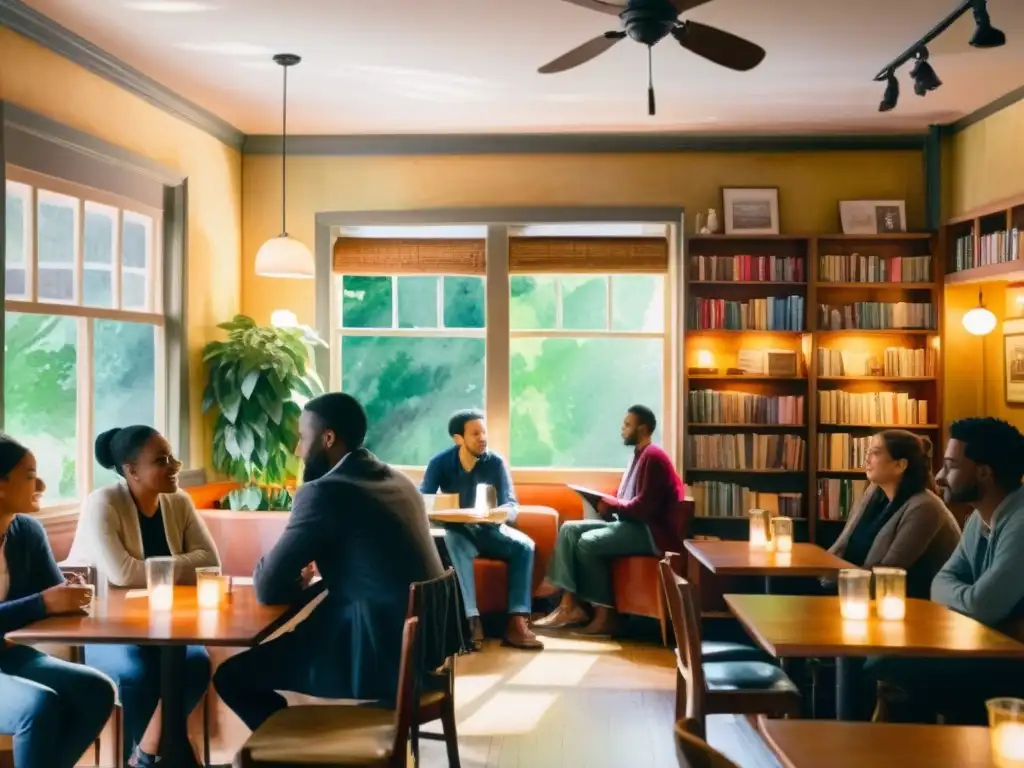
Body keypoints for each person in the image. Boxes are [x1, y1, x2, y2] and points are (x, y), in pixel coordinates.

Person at [213, 393, 444, 731]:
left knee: (233, 676)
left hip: (372, 651)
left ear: (328, 438)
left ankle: (289, 756)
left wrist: (295, 579)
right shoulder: (399, 481)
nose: (297, 450)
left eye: (302, 438)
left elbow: (266, 586)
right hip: (423, 647)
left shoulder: (325, 491)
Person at [69, 425, 220, 768]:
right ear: (131, 470)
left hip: (169, 623)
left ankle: (146, 755)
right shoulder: (102, 503)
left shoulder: (178, 501)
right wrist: (178, 566)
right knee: (137, 674)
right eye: (162, 460)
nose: (174, 466)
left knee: (195, 663)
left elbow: (211, 563)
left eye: (173, 457)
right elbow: (121, 575)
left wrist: (148, 568)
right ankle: (170, 752)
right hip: (105, 625)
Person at [870, 418, 1024, 724]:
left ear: (984, 473)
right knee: (885, 663)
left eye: (951, 466)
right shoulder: (978, 519)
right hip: (986, 649)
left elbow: (983, 606)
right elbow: (940, 582)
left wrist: (969, 601)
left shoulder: (1020, 523)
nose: (939, 477)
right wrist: (969, 598)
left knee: (893, 667)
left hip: (1012, 666)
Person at [0, 434, 117, 768]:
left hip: (7, 655)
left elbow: (55, 596)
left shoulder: (28, 532)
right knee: (38, 706)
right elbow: (45, 602)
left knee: (96, 690)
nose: (42, 484)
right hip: (7, 655)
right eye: (29, 475)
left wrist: (72, 597)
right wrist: (45, 603)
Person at [535, 405, 684, 635]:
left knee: (588, 543)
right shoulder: (636, 456)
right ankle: (565, 598)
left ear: (642, 428)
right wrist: (603, 501)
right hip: (631, 525)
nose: (622, 429)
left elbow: (644, 508)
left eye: (627, 424)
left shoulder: (654, 457)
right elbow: (626, 499)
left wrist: (610, 503)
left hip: (651, 533)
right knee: (569, 529)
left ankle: (606, 616)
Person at [420, 409, 542, 651]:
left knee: (525, 546)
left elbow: (511, 503)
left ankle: (517, 621)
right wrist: (442, 512)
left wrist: (499, 515)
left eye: (484, 432)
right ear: (458, 438)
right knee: (453, 540)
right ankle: (471, 621)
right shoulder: (440, 463)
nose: (482, 438)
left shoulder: (495, 462)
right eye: (475, 433)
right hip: (458, 532)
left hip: (489, 530)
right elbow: (424, 500)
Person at [828, 430, 960, 598]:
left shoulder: (925, 507)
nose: (866, 459)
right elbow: (842, 545)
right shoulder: (874, 493)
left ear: (900, 465)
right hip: (863, 590)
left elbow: (888, 572)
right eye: (868, 452)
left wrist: (835, 583)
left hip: (913, 603)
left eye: (875, 453)